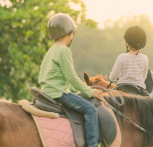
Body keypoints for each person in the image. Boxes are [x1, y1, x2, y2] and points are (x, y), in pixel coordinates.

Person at [38, 13, 103, 147]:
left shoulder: (51, 50)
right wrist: (90, 92)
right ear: (69, 33)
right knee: (91, 110)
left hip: (47, 91)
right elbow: (72, 77)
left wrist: (83, 90)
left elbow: (66, 81)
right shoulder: (64, 50)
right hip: (58, 93)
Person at [109, 26, 149, 96]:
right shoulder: (145, 58)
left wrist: (112, 79)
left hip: (121, 88)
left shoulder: (122, 57)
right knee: (152, 105)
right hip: (139, 89)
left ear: (127, 42)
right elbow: (144, 77)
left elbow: (113, 77)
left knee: (106, 102)